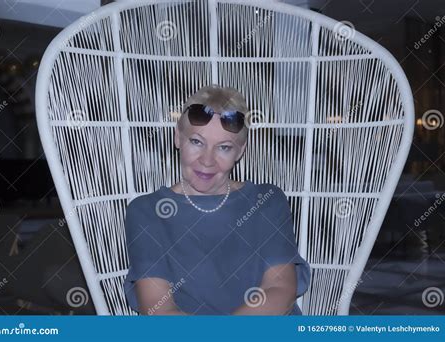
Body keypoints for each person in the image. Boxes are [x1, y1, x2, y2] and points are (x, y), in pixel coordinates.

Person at [123, 85, 311, 315]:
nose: (207, 161)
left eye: (223, 147)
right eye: (196, 142)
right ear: (178, 138)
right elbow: (158, 307)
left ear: (240, 151)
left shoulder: (266, 201)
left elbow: (280, 289)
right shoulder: (146, 211)